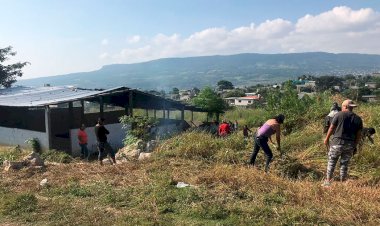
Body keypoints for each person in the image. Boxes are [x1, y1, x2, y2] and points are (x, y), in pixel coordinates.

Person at [323, 99, 363, 186]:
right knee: (344, 164)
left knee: (332, 162)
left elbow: (331, 128)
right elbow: (358, 135)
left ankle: (328, 182)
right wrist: (355, 146)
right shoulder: (358, 119)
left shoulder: (339, 115)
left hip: (337, 143)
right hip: (349, 145)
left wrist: (326, 139)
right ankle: (342, 182)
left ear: (344, 106)